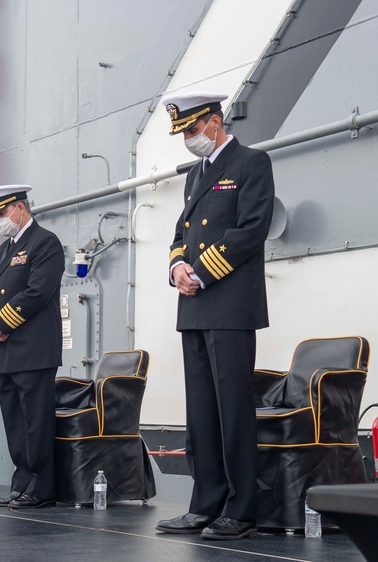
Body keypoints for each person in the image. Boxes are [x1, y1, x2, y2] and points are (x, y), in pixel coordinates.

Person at [154, 92, 274, 540]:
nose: (188, 138)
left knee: (232, 409)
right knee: (200, 411)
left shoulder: (251, 164)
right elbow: (181, 233)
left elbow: (251, 230)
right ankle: (204, 503)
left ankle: (241, 509)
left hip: (229, 304)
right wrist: (177, 267)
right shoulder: (194, 175)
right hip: (196, 306)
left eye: (191, 129)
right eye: (183, 132)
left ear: (215, 121)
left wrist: (201, 272)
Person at [0, 185, 64, 509]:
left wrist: (1, 323)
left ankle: (41, 488)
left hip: (34, 347)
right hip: (6, 349)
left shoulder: (45, 243)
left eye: (1, 213)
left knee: (35, 420)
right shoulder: (3, 251)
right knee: (14, 419)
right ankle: (22, 482)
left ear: (19, 208)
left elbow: (37, 292)